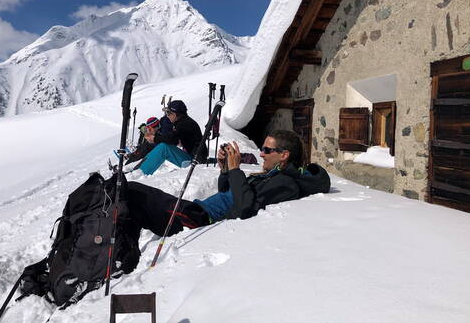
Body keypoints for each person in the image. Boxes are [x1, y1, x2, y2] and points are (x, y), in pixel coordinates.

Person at [118, 129, 331, 270]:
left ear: (283, 155)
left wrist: (237, 168)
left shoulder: (285, 183)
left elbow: (244, 208)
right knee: (132, 202)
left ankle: (117, 260)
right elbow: (228, 192)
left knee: (133, 192)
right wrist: (226, 170)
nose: (261, 153)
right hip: (197, 210)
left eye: (267, 149)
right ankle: (125, 257)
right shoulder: (273, 176)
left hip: (200, 218)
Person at [137, 100, 207, 175]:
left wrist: (154, 138)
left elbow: (172, 139)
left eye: (168, 113)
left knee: (164, 148)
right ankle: (139, 169)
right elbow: (173, 139)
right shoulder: (183, 122)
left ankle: (141, 173)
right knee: (164, 146)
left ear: (175, 114)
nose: (167, 115)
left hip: (195, 162)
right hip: (194, 158)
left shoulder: (184, 124)